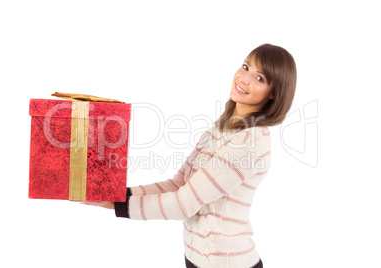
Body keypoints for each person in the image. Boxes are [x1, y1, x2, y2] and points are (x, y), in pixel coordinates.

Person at [81, 43, 297, 268]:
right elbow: (179, 184)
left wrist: (115, 204)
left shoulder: (250, 141)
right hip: (197, 260)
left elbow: (184, 204)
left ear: (274, 93)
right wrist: (115, 194)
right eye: (245, 67)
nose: (244, 78)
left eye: (259, 78)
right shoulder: (222, 128)